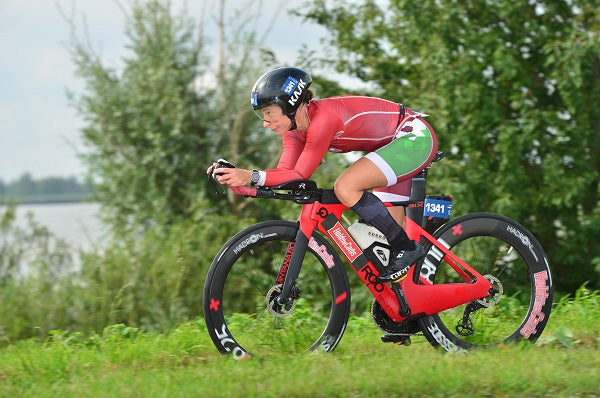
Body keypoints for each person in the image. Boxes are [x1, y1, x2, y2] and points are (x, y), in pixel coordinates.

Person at [209, 67, 438, 282]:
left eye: (269, 114)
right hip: (390, 148)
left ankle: (407, 248)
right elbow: (287, 176)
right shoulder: (294, 132)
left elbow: (299, 172)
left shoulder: (323, 120)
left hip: (413, 138)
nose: (265, 123)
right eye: (262, 116)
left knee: (346, 187)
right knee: (384, 256)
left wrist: (250, 175)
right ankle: (411, 304)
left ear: (290, 106)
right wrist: (242, 184)